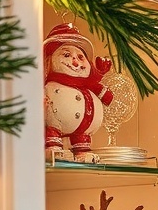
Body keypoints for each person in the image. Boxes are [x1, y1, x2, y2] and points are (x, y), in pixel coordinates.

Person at [44, 22, 113, 162]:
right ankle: (53, 147)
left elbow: (108, 98)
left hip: (83, 130)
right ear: (50, 60)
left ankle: (82, 151)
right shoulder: (50, 85)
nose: (75, 60)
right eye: (67, 54)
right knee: (53, 131)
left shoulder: (89, 84)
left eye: (80, 57)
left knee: (82, 140)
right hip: (55, 125)